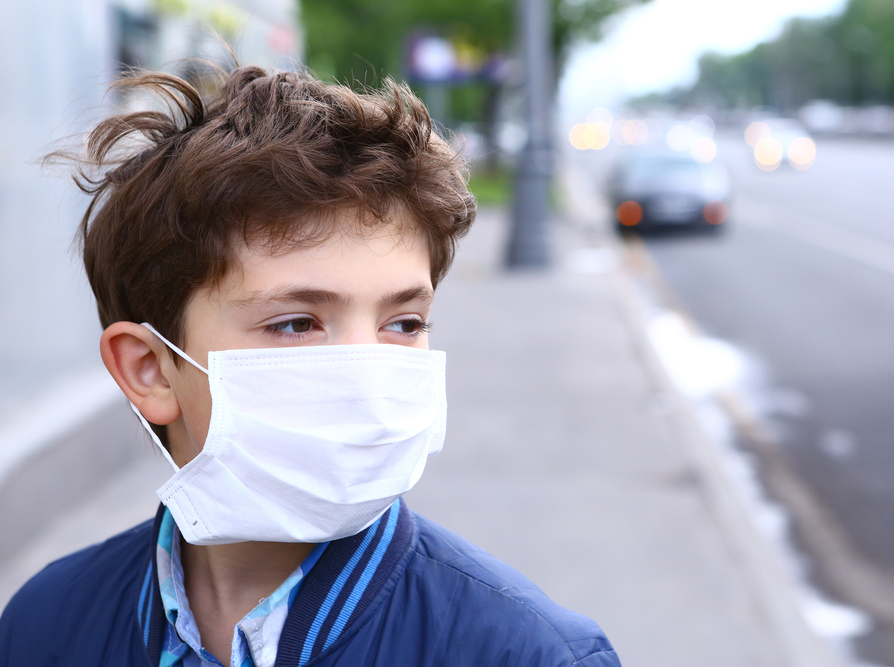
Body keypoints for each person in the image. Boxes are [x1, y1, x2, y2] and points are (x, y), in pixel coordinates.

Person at [0, 66, 619, 667]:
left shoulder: (528, 652)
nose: (367, 375)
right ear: (151, 371)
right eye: (296, 323)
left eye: (403, 324)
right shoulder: (45, 624)